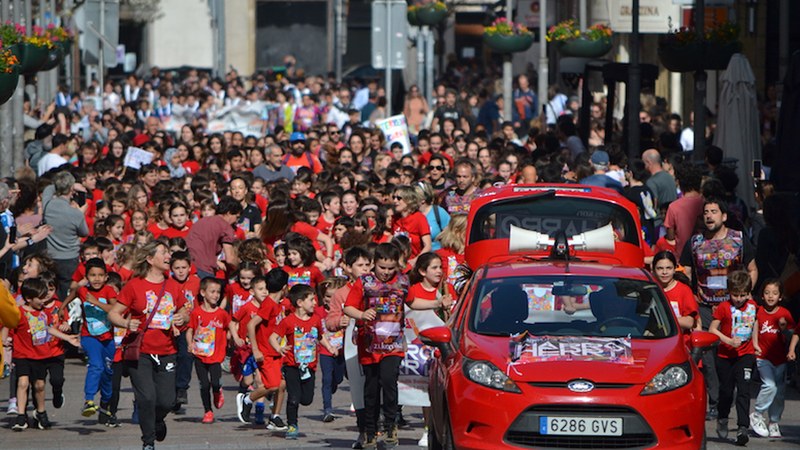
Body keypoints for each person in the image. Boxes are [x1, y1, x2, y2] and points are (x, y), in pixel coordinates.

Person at [108, 240, 190, 450]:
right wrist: (126, 322)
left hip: (167, 350)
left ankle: (157, 420)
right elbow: (113, 313)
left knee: (166, 401)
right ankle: (148, 441)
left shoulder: (173, 285)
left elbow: (184, 311)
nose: (168, 256)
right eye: (163, 252)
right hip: (141, 351)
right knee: (146, 397)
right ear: (150, 259)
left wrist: (181, 317)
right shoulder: (134, 285)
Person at [680, 198, 757, 420]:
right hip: (705, 304)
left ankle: (729, 391)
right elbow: (685, 269)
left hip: (734, 305)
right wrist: (691, 293)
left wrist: (746, 292)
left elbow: (752, 269)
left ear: (724, 216)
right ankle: (714, 401)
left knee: (732, 351)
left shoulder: (739, 239)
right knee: (709, 354)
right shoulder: (694, 242)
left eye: (714, 211)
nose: (709, 216)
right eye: (706, 212)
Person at [344, 243, 412, 449]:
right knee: (371, 389)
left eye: (391, 268)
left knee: (389, 381)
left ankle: (391, 425)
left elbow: (415, 302)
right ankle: (370, 431)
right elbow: (348, 307)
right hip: (370, 346)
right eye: (382, 267)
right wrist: (362, 315)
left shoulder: (403, 282)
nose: (386, 272)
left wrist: (437, 303)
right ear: (374, 264)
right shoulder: (363, 282)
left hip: (394, 345)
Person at [10, 278, 80, 431]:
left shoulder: (43, 314)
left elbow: (49, 329)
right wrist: (5, 340)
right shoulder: (19, 312)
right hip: (22, 354)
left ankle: (41, 412)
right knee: (22, 383)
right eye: (40, 298)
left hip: (40, 355)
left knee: (40, 385)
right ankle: (21, 416)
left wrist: (68, 338)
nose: (44, 301)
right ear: (29, 298)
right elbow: (8, 325)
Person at [270, 284, 337, 440]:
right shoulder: (288, 321)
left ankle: (293, 403)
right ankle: (292, 424)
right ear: (300, 303)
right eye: (311, 300)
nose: (315, 303)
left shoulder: (316, 320)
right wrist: (278, 349)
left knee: (306, 399)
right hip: (292, 365)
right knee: (293, 397)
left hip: (310, 367)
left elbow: (320, 336)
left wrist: (329, 347)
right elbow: (273, 337)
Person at [709, 270, 760, 446]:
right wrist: (728, 340)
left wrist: (755, 343)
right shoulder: (724, 308)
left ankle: (742, 428)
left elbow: (754, 322)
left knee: (744, 390)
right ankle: (722, 418)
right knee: (726, 391)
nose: (739, 299)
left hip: (745, 355)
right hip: (725, 355)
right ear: (729, 292)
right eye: (735, 295)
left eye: (742, 295)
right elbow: (712, 329)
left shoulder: (752, 305)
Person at [238, 268, 290, 431]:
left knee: (281, 384)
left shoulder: (278, 304)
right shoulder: (269, 305)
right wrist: (255, 349)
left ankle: (275, 417)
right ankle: (247, 399)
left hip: (275, 351)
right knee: (273, 385)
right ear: (284, 287)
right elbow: (251, 324)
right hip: (265, 352)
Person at [750, 279, 794, 438]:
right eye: (767, 293)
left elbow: (792, 336)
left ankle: (774, 422)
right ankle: (757, 413)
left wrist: (784, 331)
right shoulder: (758, 311)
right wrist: (755, 345)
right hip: (763, 356)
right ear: (762, 295)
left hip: (780, 359)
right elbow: (753, 328)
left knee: (779, 393)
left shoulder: (784, 314)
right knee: (769, 385)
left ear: (780, 297)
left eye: (775, 293)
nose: (770, 296)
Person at [187, 277, 233, 424]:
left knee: (214, 382)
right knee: (203, 384)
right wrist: (189, 343)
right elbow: (190, 330)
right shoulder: (196, 313)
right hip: (199, 354)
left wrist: (233, 338)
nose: (216, 295)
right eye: (212, 292)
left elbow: (229, 326)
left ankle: (217, 391)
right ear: (203, 293)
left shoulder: (221, 314)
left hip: (216, 354)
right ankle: (208, 411)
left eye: (218, 292)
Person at [77, 258, 118, 423]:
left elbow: (115, 309)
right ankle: (89, 400)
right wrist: (62, 308)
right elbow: (74, 292)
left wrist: (95, 302)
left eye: (100, 275)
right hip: (89, 336)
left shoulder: (109, 291)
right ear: (86, 276)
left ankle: (105, 402)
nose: (96, 278)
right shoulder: (82, 291)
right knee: (96, 365)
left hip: (108, 339)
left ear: (106, 277)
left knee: (108, 373)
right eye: (92, 275)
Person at [42, 170, 90, 300]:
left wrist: (64, 185)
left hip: (50, 256)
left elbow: (48, 189)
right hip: (69, 259)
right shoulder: (75, 213)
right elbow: (85, 232)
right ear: (71, 190)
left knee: (51, 289)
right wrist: (81, 214)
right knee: (66, 294)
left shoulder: (47, 205)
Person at [185, 196, 241, 280]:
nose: (236, 221)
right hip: (205, 269)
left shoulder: (201, 222)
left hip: (189, 266)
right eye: (236, 217)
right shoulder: (226, 227)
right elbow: (230, 259)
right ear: (229, 213)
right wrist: (240, 268)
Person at [651, 251, 697, 330]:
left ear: (675, 269)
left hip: (679, 339)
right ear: (654, 270)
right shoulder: (650, 290)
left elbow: (689, 322)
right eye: (660, 268)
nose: (664, 272)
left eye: (669, 268)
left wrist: (664, 320)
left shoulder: (684, 290)